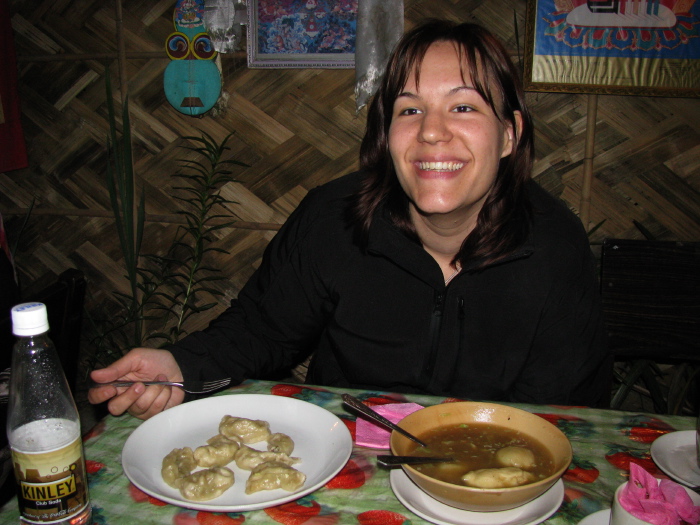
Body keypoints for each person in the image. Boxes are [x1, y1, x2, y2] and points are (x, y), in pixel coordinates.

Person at [89, 19, 608, 420]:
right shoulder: (334, 219)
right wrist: (179, 365)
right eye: (409, 110)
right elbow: (262, 328)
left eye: (464, 108)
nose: (432, 132)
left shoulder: (554, 249)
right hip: (344, 462)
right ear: (388, 135)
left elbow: (559, 412)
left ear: (510, 134)